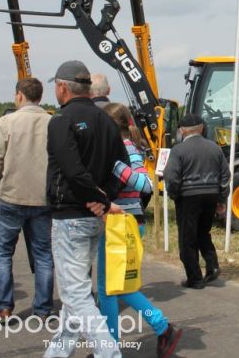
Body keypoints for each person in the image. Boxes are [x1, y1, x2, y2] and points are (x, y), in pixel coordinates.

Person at [44, 60, 127, 358]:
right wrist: (104, 199)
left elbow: (72, 170)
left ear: (63, 87)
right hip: (93, 217)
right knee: (73, 294)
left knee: (75, 295)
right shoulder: (106, 119)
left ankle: (110, 353)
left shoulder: (60, 120)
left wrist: (100, 200)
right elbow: (123, 168)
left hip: (70, 216)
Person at [98, 103, 183, 357]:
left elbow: (145, 183)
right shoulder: (124, 148)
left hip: (122, 224)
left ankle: (115, 345)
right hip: (122, 223)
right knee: (115, 288)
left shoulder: (125, 150)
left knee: (109, 289)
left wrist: (115, 166)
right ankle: (156, 329)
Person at [0, 78, 54, 322]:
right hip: (42, 198)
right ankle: (43, 309)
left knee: (3, 253)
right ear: (40, 97)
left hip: (11, 195)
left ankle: (4, 308)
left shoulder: (5, 123)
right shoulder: (52, 123)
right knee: (44, 254)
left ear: (19, 96)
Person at [163, 113, 230, 289]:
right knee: (203, 233)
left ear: (181, 131)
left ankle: (195, 278)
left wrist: (174, 194)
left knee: (187, 239)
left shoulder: (178, 150)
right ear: (201, 128)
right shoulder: (214, 147)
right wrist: (221, 199)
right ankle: (212, 267)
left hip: (188, 198)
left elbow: (171, 177)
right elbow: (225, 176)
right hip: (211, 196)